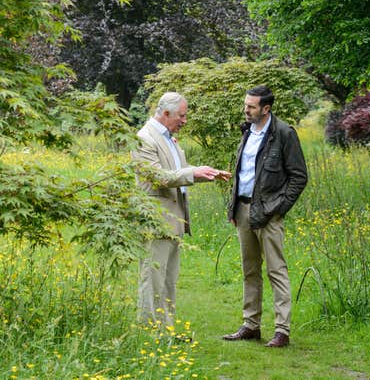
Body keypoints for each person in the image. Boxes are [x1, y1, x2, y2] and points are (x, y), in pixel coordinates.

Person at [132, 91, 231, 330]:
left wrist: (205, 172)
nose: (184, 121)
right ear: (165, 114)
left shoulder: (169, 138)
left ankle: (167, 329)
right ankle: (150, 332)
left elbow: (180, 171)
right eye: (181, 116)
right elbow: (156, 176)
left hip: (173, 220)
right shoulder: (145, 138)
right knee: (153, 279)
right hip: (156, 220)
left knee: (168, 281)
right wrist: (191, 173)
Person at [222, 85, 308, 348]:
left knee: (276, 271)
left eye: (251, 106)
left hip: (269, 213)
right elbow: (243, 172)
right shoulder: (247, 131)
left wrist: (279, 208)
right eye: (246, 105)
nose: (246, 110)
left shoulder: (283, 133)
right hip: (243, 210)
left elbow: (299, 177)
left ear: (266, 108)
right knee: (250, 270)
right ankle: (251, 325)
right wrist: (234, 207)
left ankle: (282, 330)